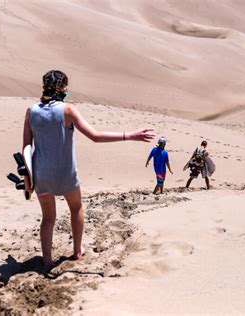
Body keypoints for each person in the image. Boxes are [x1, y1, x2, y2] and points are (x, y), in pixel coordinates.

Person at [22, 70, 155, 269]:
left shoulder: (31, 111)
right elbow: (95, 136)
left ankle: (47, 260)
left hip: (42, 173)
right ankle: (77, 251)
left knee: (48, 217)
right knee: (76, 208)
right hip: (66, 172)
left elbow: (26, 147)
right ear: (64, 87)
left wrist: (27, 178)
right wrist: (129, 135)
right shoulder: (68, 110)